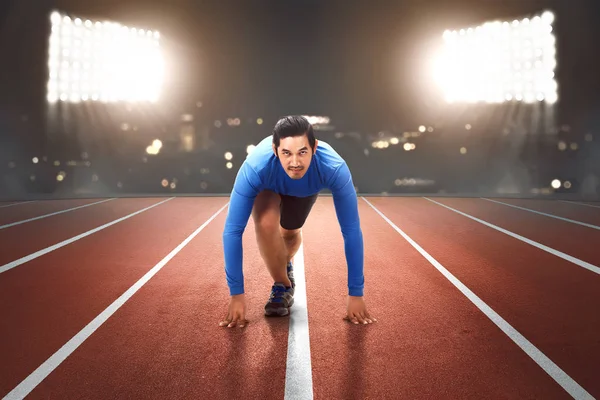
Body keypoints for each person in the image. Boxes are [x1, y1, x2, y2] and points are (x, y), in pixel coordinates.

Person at [219, 115, 376, 328]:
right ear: (275, 151)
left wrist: (356, 294)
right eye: (286, 153)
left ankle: (286, 264)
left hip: (304, 191)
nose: (295, 163)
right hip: (269, 186)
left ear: (314, 147)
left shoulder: (333, 167)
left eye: (302, 152)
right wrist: (236, 294)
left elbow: (351, 230)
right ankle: (283, 285)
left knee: (290, 234)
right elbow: (232, 231)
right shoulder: (256, 167)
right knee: (266, 223)